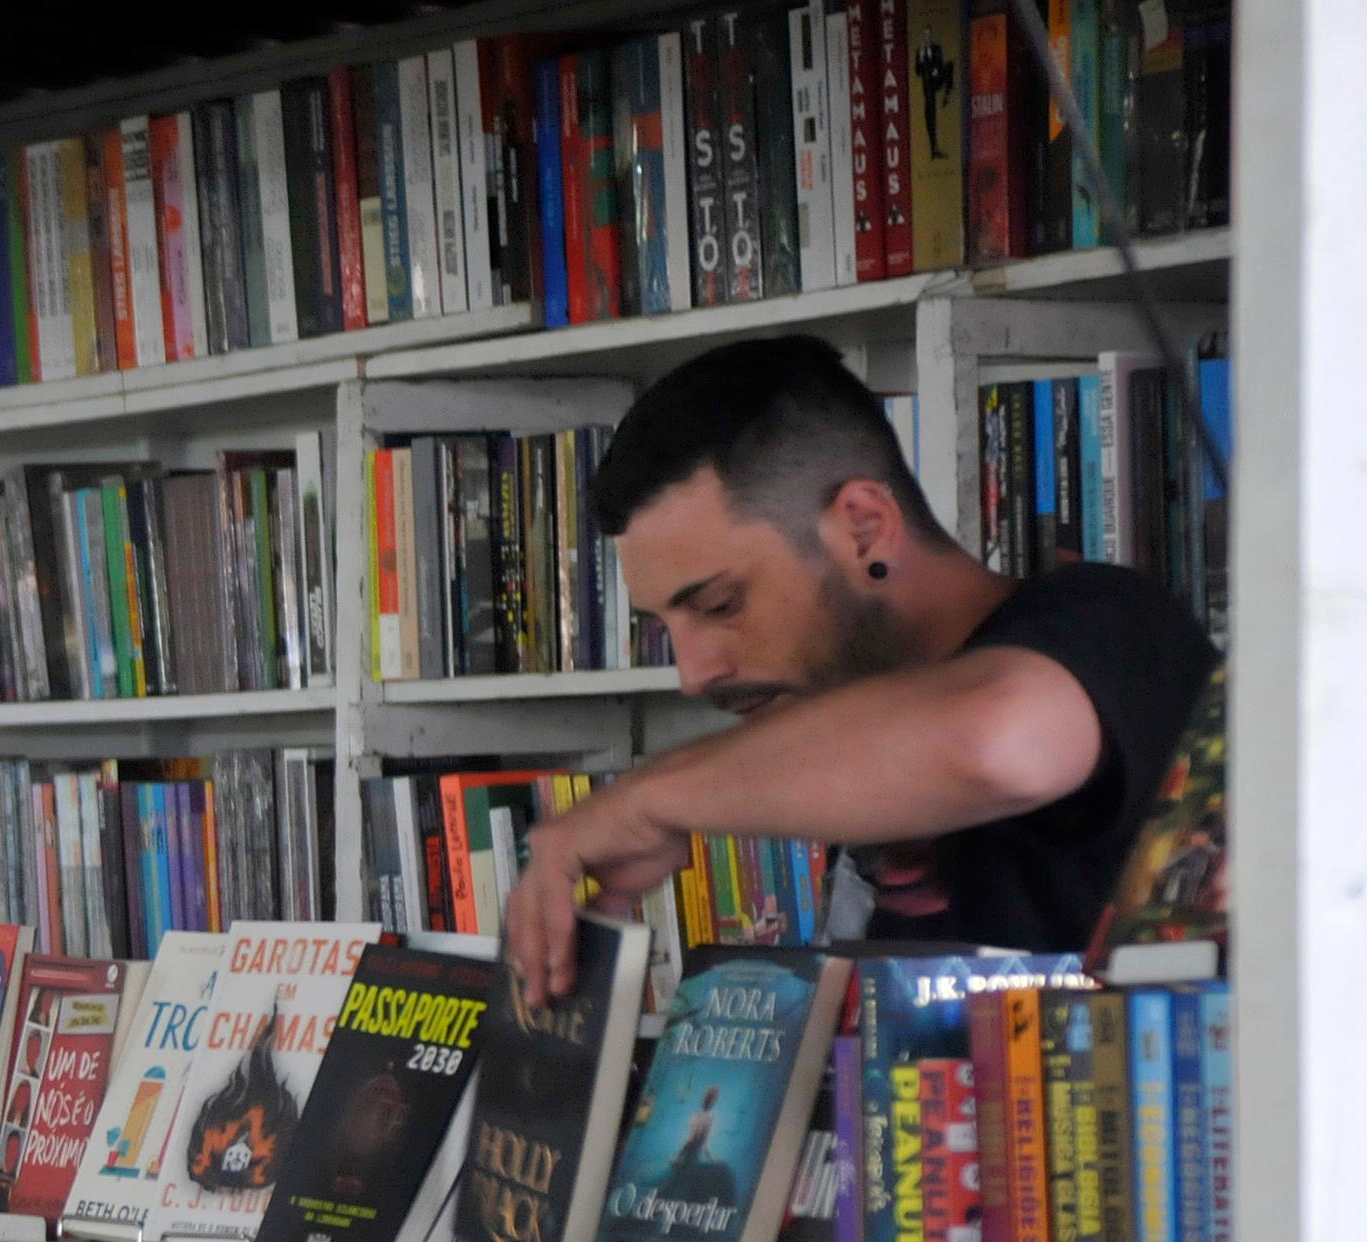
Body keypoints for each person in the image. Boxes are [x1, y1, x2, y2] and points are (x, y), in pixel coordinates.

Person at [503, 335, 1218, 1005]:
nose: (695, 673)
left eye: (721, 604)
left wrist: (644, 801)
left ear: (865, 529)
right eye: (664, 628)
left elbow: (997, 742)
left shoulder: (1111, 621)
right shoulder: (851, 715)